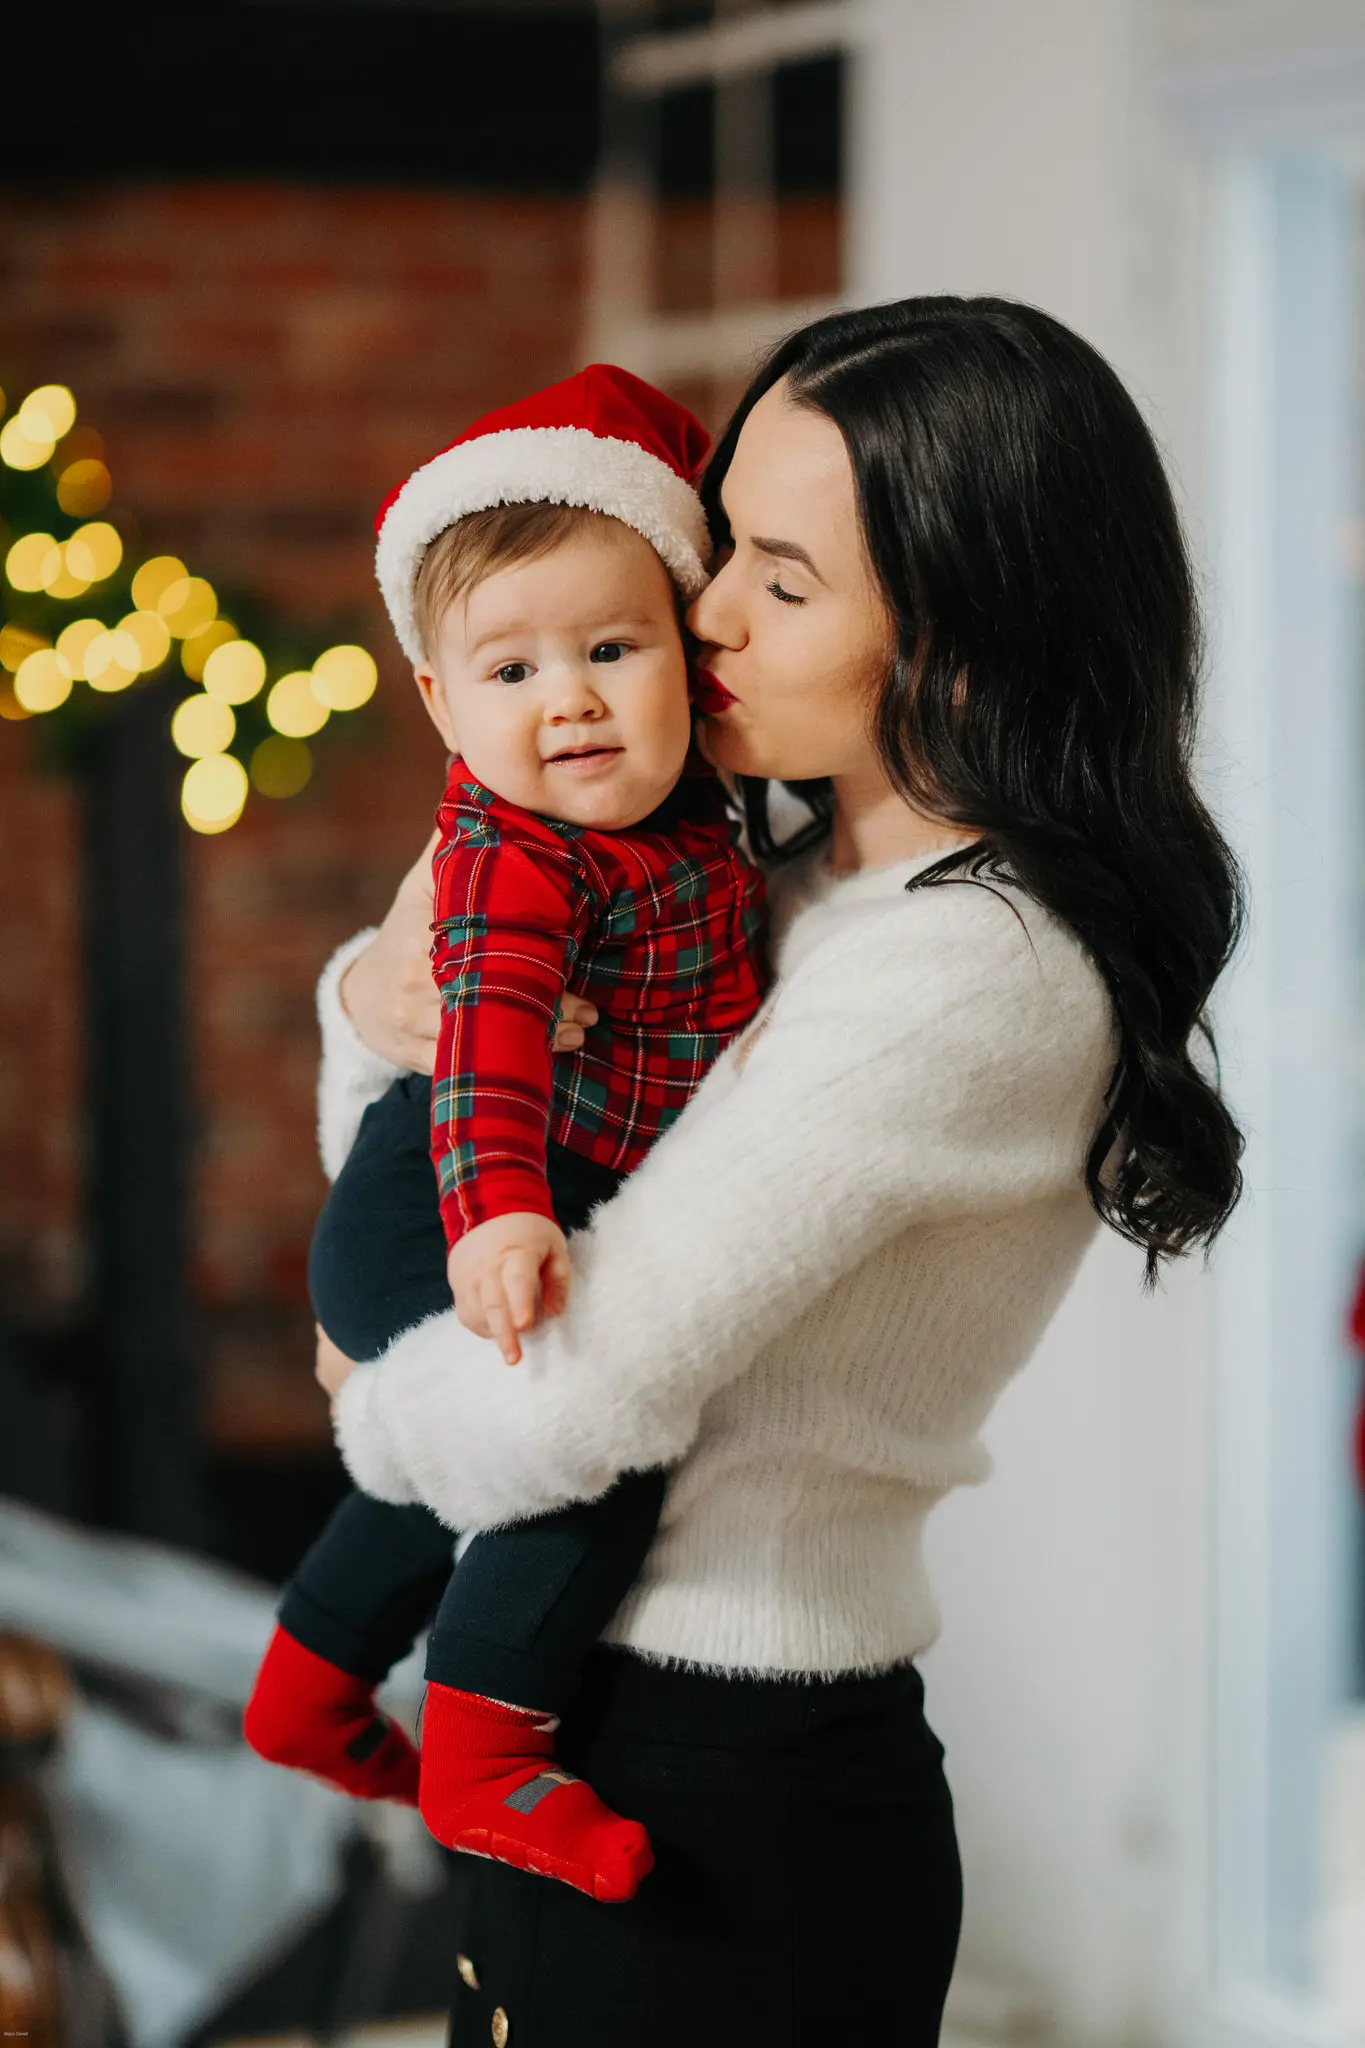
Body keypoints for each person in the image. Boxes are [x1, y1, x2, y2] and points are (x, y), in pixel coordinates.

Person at [316, 298, 1246, 2046]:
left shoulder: (966, 971)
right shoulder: (768, 881)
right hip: (577, 1712)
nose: (703, 609)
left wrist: (364, 1388)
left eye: (781, 577)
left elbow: (568, 1400)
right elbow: (416, 1150)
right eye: (722, 536)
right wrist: (382, 989)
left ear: (960, 633)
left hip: (722, 1774)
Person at [243, 368, 767, 1904]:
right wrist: (497, 1218)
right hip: (453, 1200)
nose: (573, 702)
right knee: (586, 1453)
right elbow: (480, 1043)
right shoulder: (518, 857)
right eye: (515, 669)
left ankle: (305, 1686)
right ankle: (486, 1751)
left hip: (491, 1196)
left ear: (690, 651)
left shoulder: (684, 819)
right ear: (441, 705)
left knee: (423, 1471)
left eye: (613, 649)